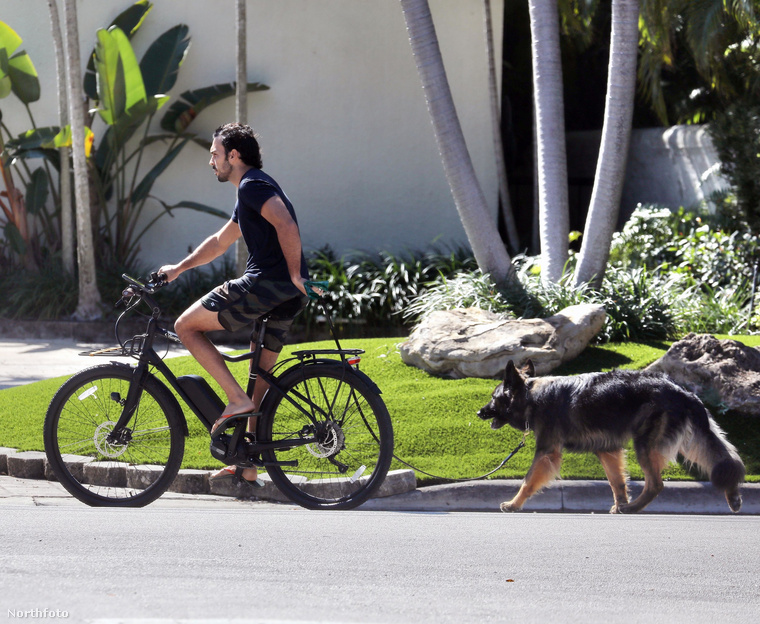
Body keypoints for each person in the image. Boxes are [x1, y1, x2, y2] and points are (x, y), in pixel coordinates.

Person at [158, 122, 319, 485]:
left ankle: (234, 400)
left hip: (266, 285)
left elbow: (286, 224)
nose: (211, 161)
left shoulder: (253, 186)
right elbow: (219, 241)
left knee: (186, 326)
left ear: (233, 155)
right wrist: (179, 269)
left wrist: (294, 272)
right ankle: (247, 463)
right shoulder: (250, 190)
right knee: (258, 382)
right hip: (286, 297)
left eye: (215, 154)